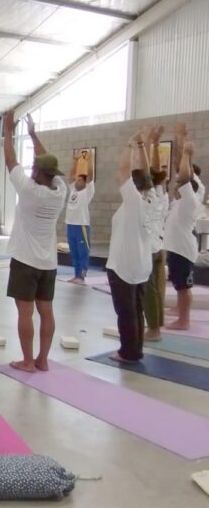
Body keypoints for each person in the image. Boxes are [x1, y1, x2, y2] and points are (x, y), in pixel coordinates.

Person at [3, 110, 67, 373]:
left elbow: (10, 159)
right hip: (48, 264)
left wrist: (8, 131)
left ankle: (28, 361)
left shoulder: (29, 190)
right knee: (47, 312)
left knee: (25, 313)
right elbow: (45, 161)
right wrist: (32, 134)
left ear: (38, 172)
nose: (30, 168)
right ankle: (42, 359)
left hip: (25, 261)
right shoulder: (60, 190)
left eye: (34, 167)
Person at [106, 130, 153, 363]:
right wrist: (142, 146)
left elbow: (123, 171)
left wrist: (130, 144)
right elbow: (148, 174)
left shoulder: (134, 202)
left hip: (124, 266)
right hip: (141, 265)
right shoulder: (154, 198)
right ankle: (136, 349)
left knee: (126, 312)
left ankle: (128, 352)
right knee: (136, 310)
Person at [164, 124, 201, 331]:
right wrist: (180, 140)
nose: (175, 184)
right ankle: (180, 311)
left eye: (178, 184)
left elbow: (185, 175)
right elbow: (181, 170)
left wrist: (187, 152)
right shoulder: (181, 200)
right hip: (176, 247)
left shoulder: (190, 201)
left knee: (184, 286)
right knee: (179, 284)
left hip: (184, 250)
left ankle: (184, 320)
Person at [143, 126, 168, 341]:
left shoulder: (149, 193)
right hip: (160, 245)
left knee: (148, 288)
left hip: (151, 247)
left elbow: (149, 170)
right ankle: (157, 325)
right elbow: (156, 171)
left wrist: (148, 144)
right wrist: (156, 143)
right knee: (157, 288)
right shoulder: (162, 190)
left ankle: (153, 329)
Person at [65, 148, 96, 284]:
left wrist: (90, 160)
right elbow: (71, 174)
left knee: (83, 252)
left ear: (84, 182)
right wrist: (75, 159)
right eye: (76, 179)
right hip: (70, 224)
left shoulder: (87, 191)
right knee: (74, 252)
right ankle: (76, 275)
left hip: (81, 225)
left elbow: (90, 176)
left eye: (79, 180)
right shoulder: (73, 190)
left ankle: (82, 276)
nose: (76, 181)